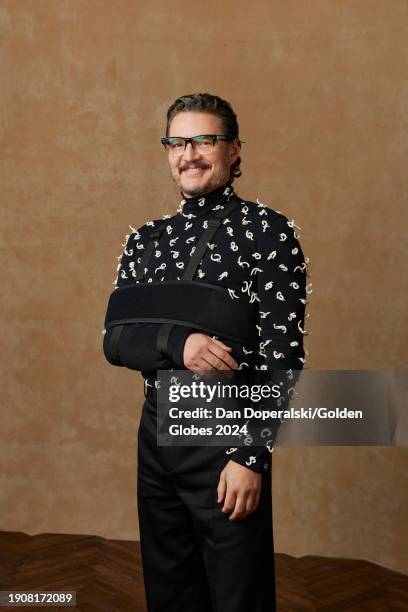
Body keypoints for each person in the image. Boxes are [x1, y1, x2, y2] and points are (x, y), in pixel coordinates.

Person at [102, 93, 307, 612]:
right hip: (156, 437)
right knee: (170, 593)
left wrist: (251, 458)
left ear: (234, 150)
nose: (187, 153)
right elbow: (115, 341)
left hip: (227, 440)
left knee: (238, 597)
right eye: (176, 141)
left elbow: (281, 359)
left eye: (204, 140)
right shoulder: (145, 241)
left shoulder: (269, 232)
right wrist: (178, 342)